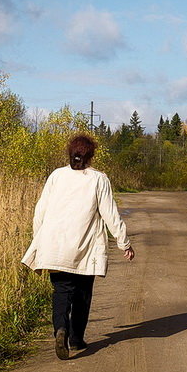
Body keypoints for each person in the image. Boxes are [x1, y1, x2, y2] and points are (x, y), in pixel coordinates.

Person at [21, 133, 135, 359]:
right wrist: (125, 243)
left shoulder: (56, 176)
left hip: (54, 245)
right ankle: (75, 339)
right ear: (91, 156)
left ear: (70, 154)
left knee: (61, 291)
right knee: (82, 294)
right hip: (84, 248)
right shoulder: (98, 179)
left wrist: (39, 241)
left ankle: (60, 329)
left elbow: (40, 211)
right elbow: (110, 214)